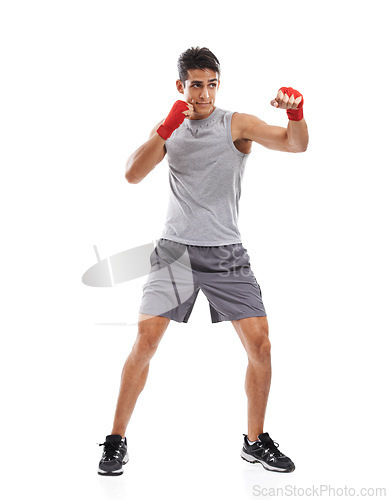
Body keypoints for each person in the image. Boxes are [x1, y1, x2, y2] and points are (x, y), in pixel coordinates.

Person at [97, 46, 308, 476]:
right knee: (145, 343)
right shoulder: (169, 128)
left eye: (212, 84)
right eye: (196, 85)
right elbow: (133, 174)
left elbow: (295, 144)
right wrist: (165, 128)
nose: (205, 94)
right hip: (175, 251)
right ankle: (116, 441)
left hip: (226, 253)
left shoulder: (237, 124)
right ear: (181, 86)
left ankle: (254, 441)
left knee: (261, 345)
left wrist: (297, 112)